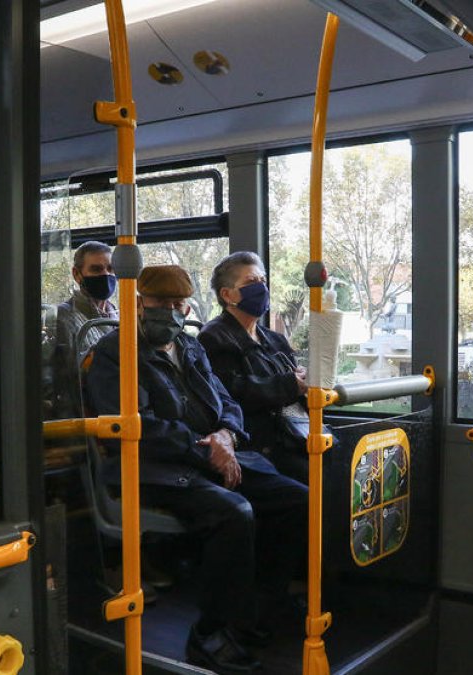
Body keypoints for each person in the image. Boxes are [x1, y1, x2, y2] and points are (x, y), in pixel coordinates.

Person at [85, 264, 307, 673]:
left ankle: (255, 611)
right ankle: (209, 634)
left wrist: (226, 436)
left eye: (178, 304)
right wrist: (205, 449)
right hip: (151, 466)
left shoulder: (191, 347)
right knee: (233, 512)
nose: (170, 311)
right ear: (139, 303)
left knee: (297, 500)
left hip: (213, 453)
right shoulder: (115, 354)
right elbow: (137, 425)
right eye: (159, 303)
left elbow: (228, 404)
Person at [199, 251, 310, 482]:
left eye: (263, 281)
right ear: (227, 294)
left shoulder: (274, 339)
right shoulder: (213, 337)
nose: (261, 288)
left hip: (295, 434)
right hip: (258, 443)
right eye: (251, 282)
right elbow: (231, 391)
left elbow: (293, 381)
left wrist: (303, 381)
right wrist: (290, 385)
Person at [49, 241, 118, 417]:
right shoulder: (62, 317)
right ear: (77, 274)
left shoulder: (121, 317)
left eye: (110, 269)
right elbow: (65, 378)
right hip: (86, 410)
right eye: (96, 269)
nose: (106, 275)